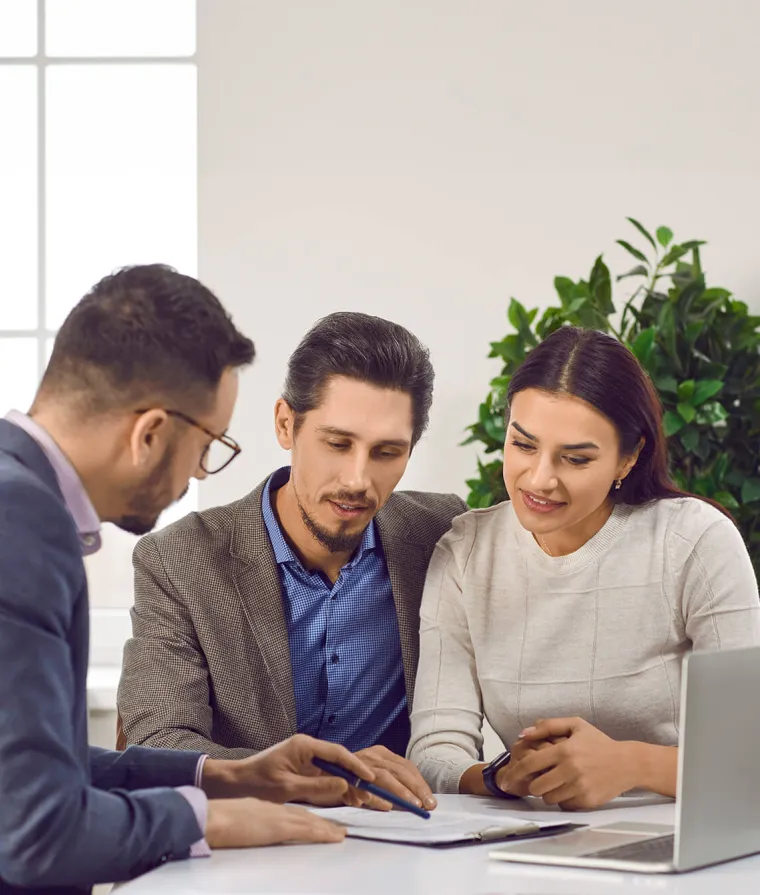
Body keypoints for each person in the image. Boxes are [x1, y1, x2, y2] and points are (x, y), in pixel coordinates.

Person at [0, 266, 382, 895]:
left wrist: (227, 777)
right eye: (208, 446)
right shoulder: (22, 522)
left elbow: (28, 771)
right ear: (150, 433)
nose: (198, 475)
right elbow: (36, 833)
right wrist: (211, 821)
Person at [117, 311, 466, 812]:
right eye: (337, 443)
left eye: (387, 452)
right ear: (286, 423)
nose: (357, 479)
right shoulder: (179, 560)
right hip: (254, 837)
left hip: (404, 835)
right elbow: (159, 741)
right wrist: (320, 777)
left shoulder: (442, 534)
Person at [408, 325, 760, 811]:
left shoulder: (693, 541)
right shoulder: (466, 553)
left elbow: (747, 756)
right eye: (523, 445)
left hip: (678, 835)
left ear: (628, 459)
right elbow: (434, 752)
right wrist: (500, 777)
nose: (540, 479)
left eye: (575, 459)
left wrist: (631, 765)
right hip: (537, 838)